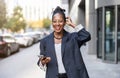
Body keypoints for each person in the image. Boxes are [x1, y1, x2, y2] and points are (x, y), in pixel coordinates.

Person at [37, 6, 91, 78]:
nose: (57, 24)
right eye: (54, 21)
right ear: (52, 22)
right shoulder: (45, 41)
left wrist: (73, 25)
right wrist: (43, 61)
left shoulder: (73, 38)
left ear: (65, 22)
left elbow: (86, 36)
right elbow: (41, 61)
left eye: (60, 21)